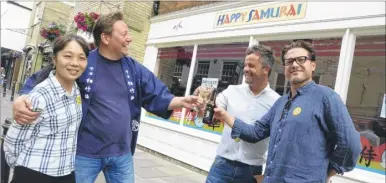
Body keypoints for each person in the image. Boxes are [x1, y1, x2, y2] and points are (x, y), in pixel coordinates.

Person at [12, 12, 202, 183]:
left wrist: (182, 101)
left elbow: (156, 93)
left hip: (122, 153)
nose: (130, 39)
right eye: (124, 34)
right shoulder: (83, 62)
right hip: (84, 154)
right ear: (105, 37)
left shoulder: (133, 68)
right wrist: (22, 98)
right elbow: (43, 78)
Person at [213, 40, 362, 183]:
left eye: (301, 59)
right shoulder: (280, 102)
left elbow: (350, 144)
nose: (295, 65)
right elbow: (255, 133)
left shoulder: (326, 97)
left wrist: (327, 172)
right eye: (289, 61)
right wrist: (225, 116)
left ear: (313, 65)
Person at [4, 34, 89, 183]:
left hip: (65, 171)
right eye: (68, 56)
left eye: (81, 58)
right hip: (35, 173)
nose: (75, 63)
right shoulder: (40, 95)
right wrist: (23, 170)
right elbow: (13, 140)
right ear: (54, 60)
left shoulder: (76, 90)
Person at [198, 45, 280, 183]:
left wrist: (267, 174)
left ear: (266, 69)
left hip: (252, 171)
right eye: (245, 65)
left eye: (251, 65)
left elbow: (278, 141)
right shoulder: (231, 91)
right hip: (222, 165)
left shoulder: (276, 101)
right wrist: (201, 105)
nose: (246, 69)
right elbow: (209, 115)